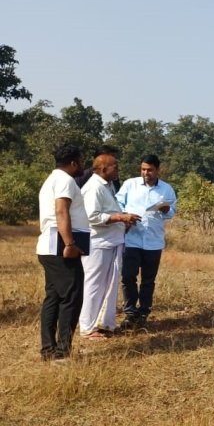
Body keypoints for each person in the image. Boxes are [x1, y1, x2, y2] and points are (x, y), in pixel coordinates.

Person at [79, 154, 141, 340]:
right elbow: (92, 216)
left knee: (110, 285)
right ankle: (87, 328)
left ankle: (105, 324)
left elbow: (108, 212)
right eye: (115, 166)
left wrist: (124, 220)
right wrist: (120, 218)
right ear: (104, 169)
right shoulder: (93, 187)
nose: (117, 169)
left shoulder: (108, 186)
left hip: (112, 241)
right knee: (94, 285)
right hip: (98, 244)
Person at [36, 144, 88, 361]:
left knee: (54, 298)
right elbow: (61, 210)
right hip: (59, 246)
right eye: (82, 160)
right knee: (72, 297)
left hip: (48, 246)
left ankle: (49, 350)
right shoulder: (65, 181)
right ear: (74, 162)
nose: (84, 164)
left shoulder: (52, 179)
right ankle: (61, 353)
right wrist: (69, 244)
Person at [115, 154, 176, 327]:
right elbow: (118, 203)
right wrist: (125, 216)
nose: (145, 173)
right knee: (127, 277)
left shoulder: (166, 189)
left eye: (149, 170)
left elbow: (172, 211)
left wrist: (166, 209)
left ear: (158, 170)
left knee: (148, 279)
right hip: (131, 238)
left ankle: (143, 312)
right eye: (143, 169)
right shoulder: (130, 184)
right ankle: (130, 312)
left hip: (153, 241)